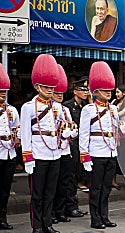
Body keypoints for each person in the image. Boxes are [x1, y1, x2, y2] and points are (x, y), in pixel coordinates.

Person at [21, 54, 64, 233]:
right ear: (37, 86)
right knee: (37, 194)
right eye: (45, 87)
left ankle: (47, 223)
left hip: (54, 152)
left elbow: (61, 127)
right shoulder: (28, 107)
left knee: (50, 192)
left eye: (51, 87)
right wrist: (27, 157)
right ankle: (36, 225)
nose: (49, 90)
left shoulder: (58, 107)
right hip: (38, 153)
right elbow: (24, 133)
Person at [79, 61, 125, 229]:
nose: (108, 93)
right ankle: (95, 218)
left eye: (109, 90)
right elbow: (84, 134)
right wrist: (84, 156)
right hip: (96, 152)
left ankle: (104, 216)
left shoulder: (113, 109)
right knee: (96, 188)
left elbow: (117, 131)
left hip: (111, 151)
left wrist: (124, 130)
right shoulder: (89, 110)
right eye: (105, 90)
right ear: (96, 91)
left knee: (106, 187)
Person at [0, 61, 20, 231]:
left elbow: (17, 127)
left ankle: (2, 217)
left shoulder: (11, 110)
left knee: (5, 189)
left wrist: (17, 138)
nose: (3, 94)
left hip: (9, 152)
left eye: (4, 91)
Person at [52, 64, 79, 224]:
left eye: (62, 92)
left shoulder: (65, 110)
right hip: (52, 150)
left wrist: (72, 132)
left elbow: (71, 124)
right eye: (57, 92)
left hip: (66, 149)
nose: (60, 95)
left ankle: (61, 211)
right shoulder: (48, 109)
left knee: (65, 182)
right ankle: (53, 212)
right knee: (53, 184)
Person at [63, 77, 92, 195]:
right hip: (73, 140)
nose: (85, 92)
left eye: (87, 90)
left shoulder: (86, 105)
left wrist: (90, 100)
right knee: (74, 167)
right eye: (82, 90)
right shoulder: (68, 105)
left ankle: (82, 181)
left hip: (84, 140)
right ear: (75, 91)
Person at [111, 84, 125, 190]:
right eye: (116, 92)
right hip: (113, 133)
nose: (116, 94)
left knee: (122, 157)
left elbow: (117, 115)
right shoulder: (113, 102)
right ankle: (112, 180)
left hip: (122, 134)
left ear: (124, 93)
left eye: (118, 92)